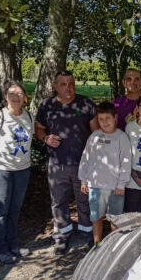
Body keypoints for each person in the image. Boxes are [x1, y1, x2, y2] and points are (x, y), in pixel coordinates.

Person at [35, 70, 98, 255]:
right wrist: (45, 138)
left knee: (85, 200)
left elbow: (96, 134)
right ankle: (62, 235)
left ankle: (87, 232)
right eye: (63, 84)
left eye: (71, 83)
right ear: (55, 86)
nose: (68, 88)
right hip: (57, 163)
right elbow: (38, 129)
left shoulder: (86, 103)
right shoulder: (47, 105)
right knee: (59, 201)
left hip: (83, 164)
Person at [0, 81, 34, 264]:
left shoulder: (28, 117)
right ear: (5, 96)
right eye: (11, 93)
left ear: (25, 97)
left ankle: (13, 245)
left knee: (15, 209)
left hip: (22, 170)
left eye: (19, 93)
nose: (16, 96)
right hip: (0, 171)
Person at [78, 101, 131, 246]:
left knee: (115, 219)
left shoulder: (122, 138)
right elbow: (85, 158)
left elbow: (126, 162)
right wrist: (83, 179)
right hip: (95, 186)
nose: (104, 122)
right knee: (96, 218)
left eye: (108, 118)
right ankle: (97, 246)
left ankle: (114, 247)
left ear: (115, 118)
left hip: (115, 188)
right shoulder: (94, 136)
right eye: (101, 119)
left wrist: (121, 184)